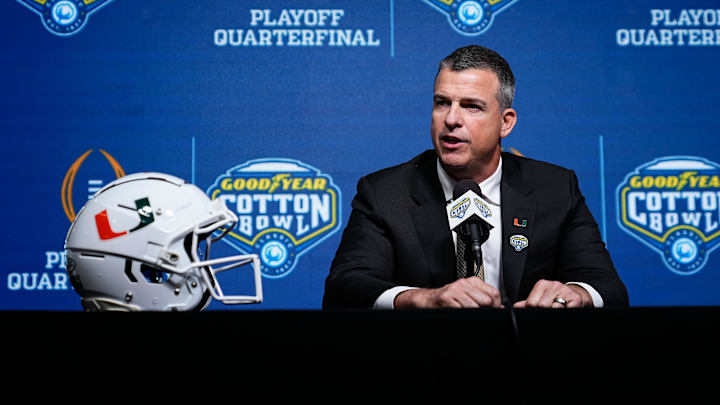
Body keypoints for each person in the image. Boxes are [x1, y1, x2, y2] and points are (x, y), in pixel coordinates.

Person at [322, 45, 628, 309]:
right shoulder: (385, 193)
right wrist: (424, 298)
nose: (451, 120)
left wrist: (574, 293)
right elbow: (344, 288)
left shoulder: (556, 189)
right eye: (442, 103)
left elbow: (608, 288)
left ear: (505, 123)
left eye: (471, 107)